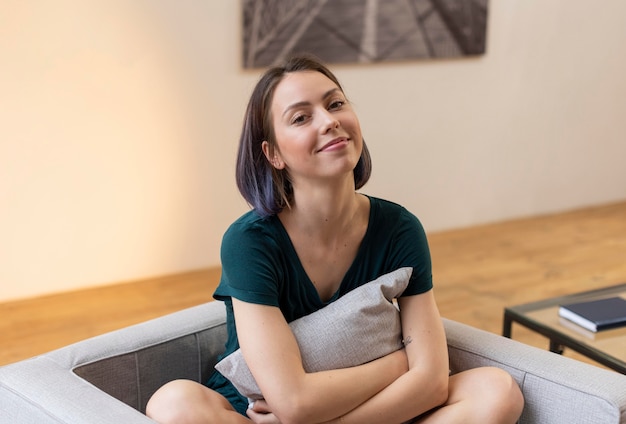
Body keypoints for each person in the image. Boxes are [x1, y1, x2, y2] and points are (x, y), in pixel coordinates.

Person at [146, 54, 524, 424]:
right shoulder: (249, 242)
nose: (329, 121)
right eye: (301, 117)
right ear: (273, 153)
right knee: (174, 404)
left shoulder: (400, 228)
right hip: (259, 412)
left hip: (379, 408)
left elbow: (430, 384)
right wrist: (397, 363)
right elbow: (292, 403)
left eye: (336, 103)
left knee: (497, 391)